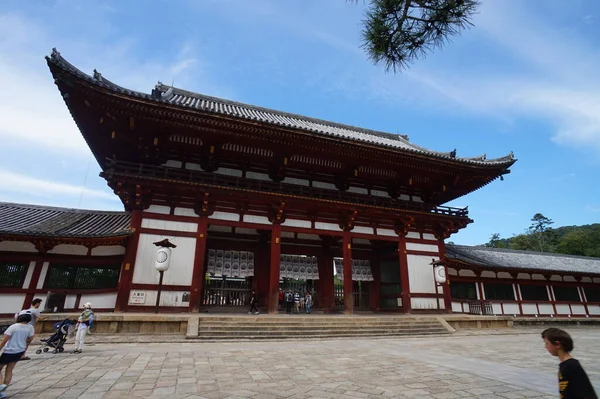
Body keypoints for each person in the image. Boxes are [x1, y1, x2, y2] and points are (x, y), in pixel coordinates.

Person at [541, 328, 597, 399]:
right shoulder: (565, 364)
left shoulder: (572, 366)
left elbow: (586, 393)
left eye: (547, 343)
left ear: (557, 344)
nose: (545, 347)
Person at [0, 313, 35, 398]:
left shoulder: (13, 327)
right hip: (19, 350)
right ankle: (3, 390)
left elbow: (5, 340)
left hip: (9, 350)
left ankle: (1, 386)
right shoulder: (30, 327)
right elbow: (30, 338)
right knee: (9, 370)